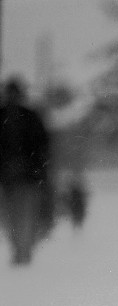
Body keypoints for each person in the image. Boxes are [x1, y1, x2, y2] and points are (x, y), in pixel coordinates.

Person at [0, 78, 52, 265]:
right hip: (13, 179)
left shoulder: (30, 117)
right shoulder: (28, 117)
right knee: (14, 217)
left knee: (21, 216)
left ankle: (22, 250)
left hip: (25, 178)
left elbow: (42, 148)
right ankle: (20, 249)